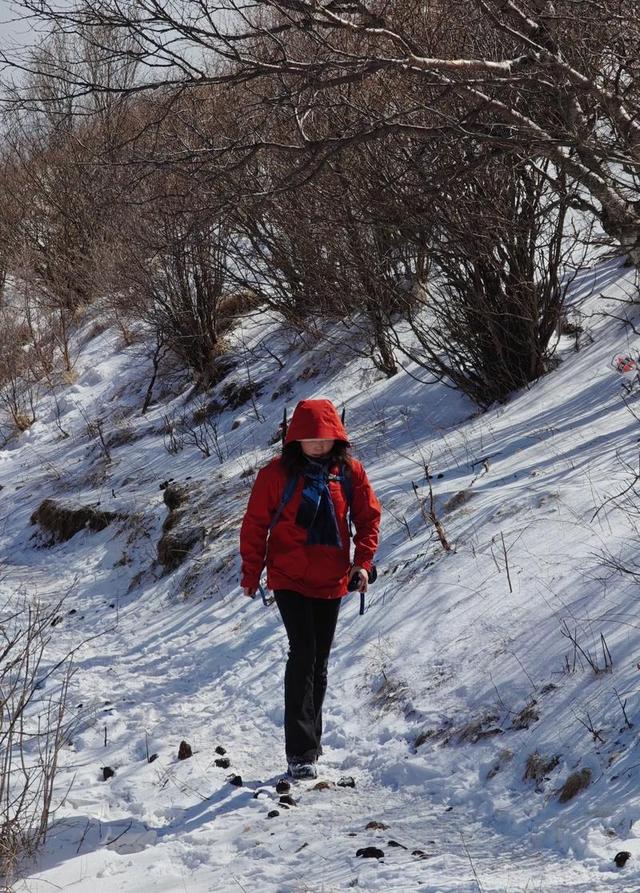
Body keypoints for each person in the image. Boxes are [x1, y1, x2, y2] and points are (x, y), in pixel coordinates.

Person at [239, 398, 381, 779]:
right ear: (295, 438)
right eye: (310, 437)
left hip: (331, 579)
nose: (318, 444)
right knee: (302, 652)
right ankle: (300, 752)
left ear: (338, 436)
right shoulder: (275, 475)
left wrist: (363, 564)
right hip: (288, 576)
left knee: (319, 660)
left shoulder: (349, 473)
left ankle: (312, 744)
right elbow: (255, 524)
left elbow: (368, 518)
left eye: (325, 437)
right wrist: (252, 573)